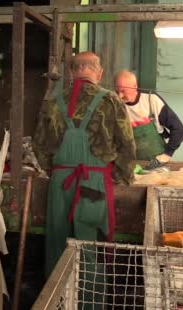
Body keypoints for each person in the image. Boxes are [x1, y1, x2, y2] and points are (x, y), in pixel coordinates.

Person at [33, 52, 136, 279]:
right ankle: (90, 301)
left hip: (60, 184)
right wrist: (121, 176)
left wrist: (55, 169)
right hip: (95, 184)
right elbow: (127, 146)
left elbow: (39, 147)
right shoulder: (110, 100)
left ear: (71, 72)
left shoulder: (52, 102)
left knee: (59, 247)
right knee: (91, 247)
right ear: (99, 73)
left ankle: (58, 300)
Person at [114, 69, 183, 169]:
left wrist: (167, 154)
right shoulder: (114, 104)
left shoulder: (151, 100)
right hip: (129, 164)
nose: (120, 96)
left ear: (135, 86)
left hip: (156, 162)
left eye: (123, 91)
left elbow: (179, 129)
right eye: (117, 91)